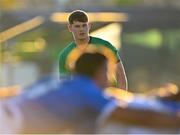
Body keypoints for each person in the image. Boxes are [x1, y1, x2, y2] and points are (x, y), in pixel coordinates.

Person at [0, 53, 179, 134]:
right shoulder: (87, 91)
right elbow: (131, 115)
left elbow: (14, 93)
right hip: (8, 125)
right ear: (100, 71)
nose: (109, 79)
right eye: (108, 72)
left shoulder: (57, 81)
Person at [58, 10, 128, 90]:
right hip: (83, 98)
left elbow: (120, 76)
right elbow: (65, 85)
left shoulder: (105, 46)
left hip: (107, 95)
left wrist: (121, 100)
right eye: (77, 26)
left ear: (89, 26)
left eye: (84, 25)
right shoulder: (65, 54)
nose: (81, 29)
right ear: (70, 28)